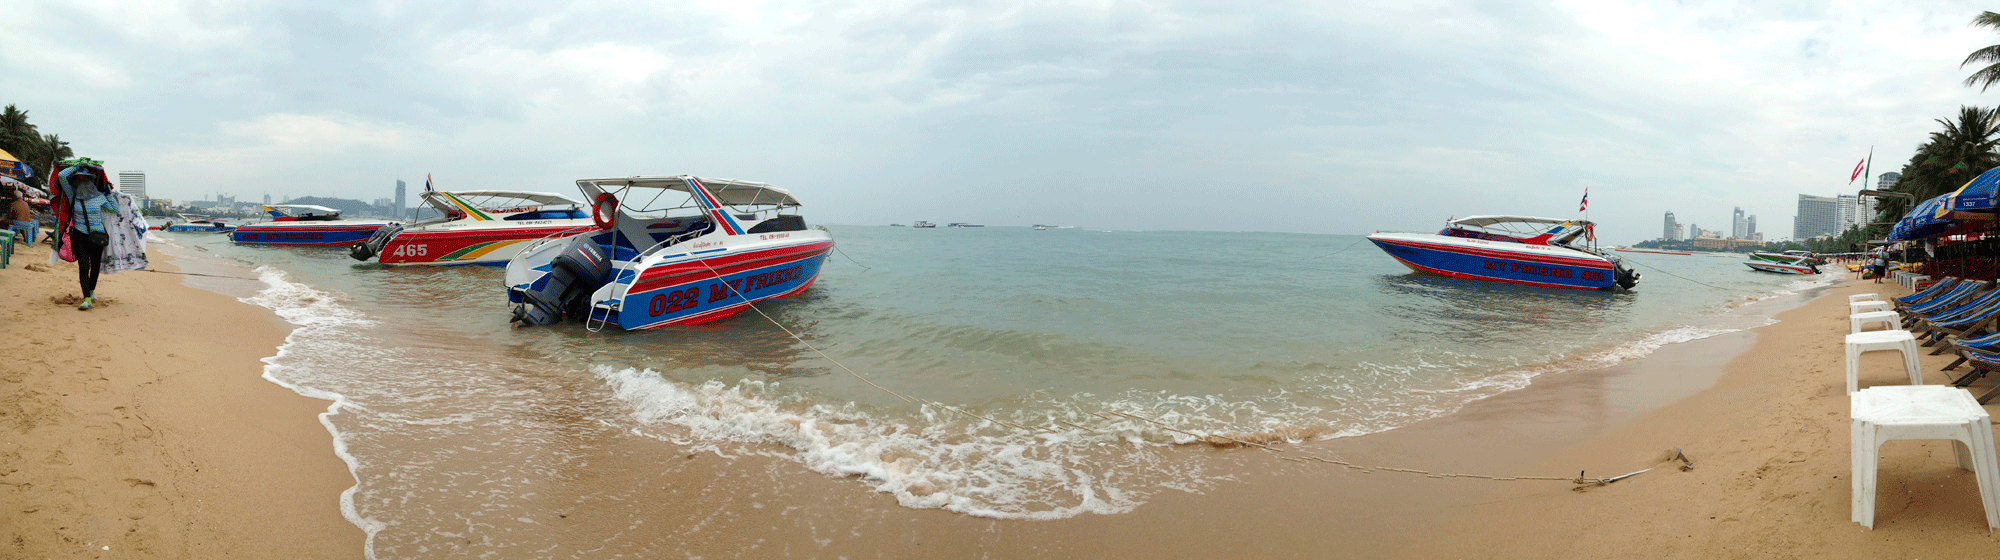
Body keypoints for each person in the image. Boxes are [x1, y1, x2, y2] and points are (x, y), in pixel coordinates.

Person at [62, 170, 118, 310]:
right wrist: (78, 165)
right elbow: (62, 176)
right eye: (79, 178)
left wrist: (109, 194)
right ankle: (87, 299)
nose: (82, 180)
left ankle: (91, 292)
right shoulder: (73, 195)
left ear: (91, 180)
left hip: (98, 236)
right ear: (75, 180)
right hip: (80, 236)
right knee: (83, 267)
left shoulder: (99, 197)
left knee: (95, 266)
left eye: (85, 178)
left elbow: (115, 209)